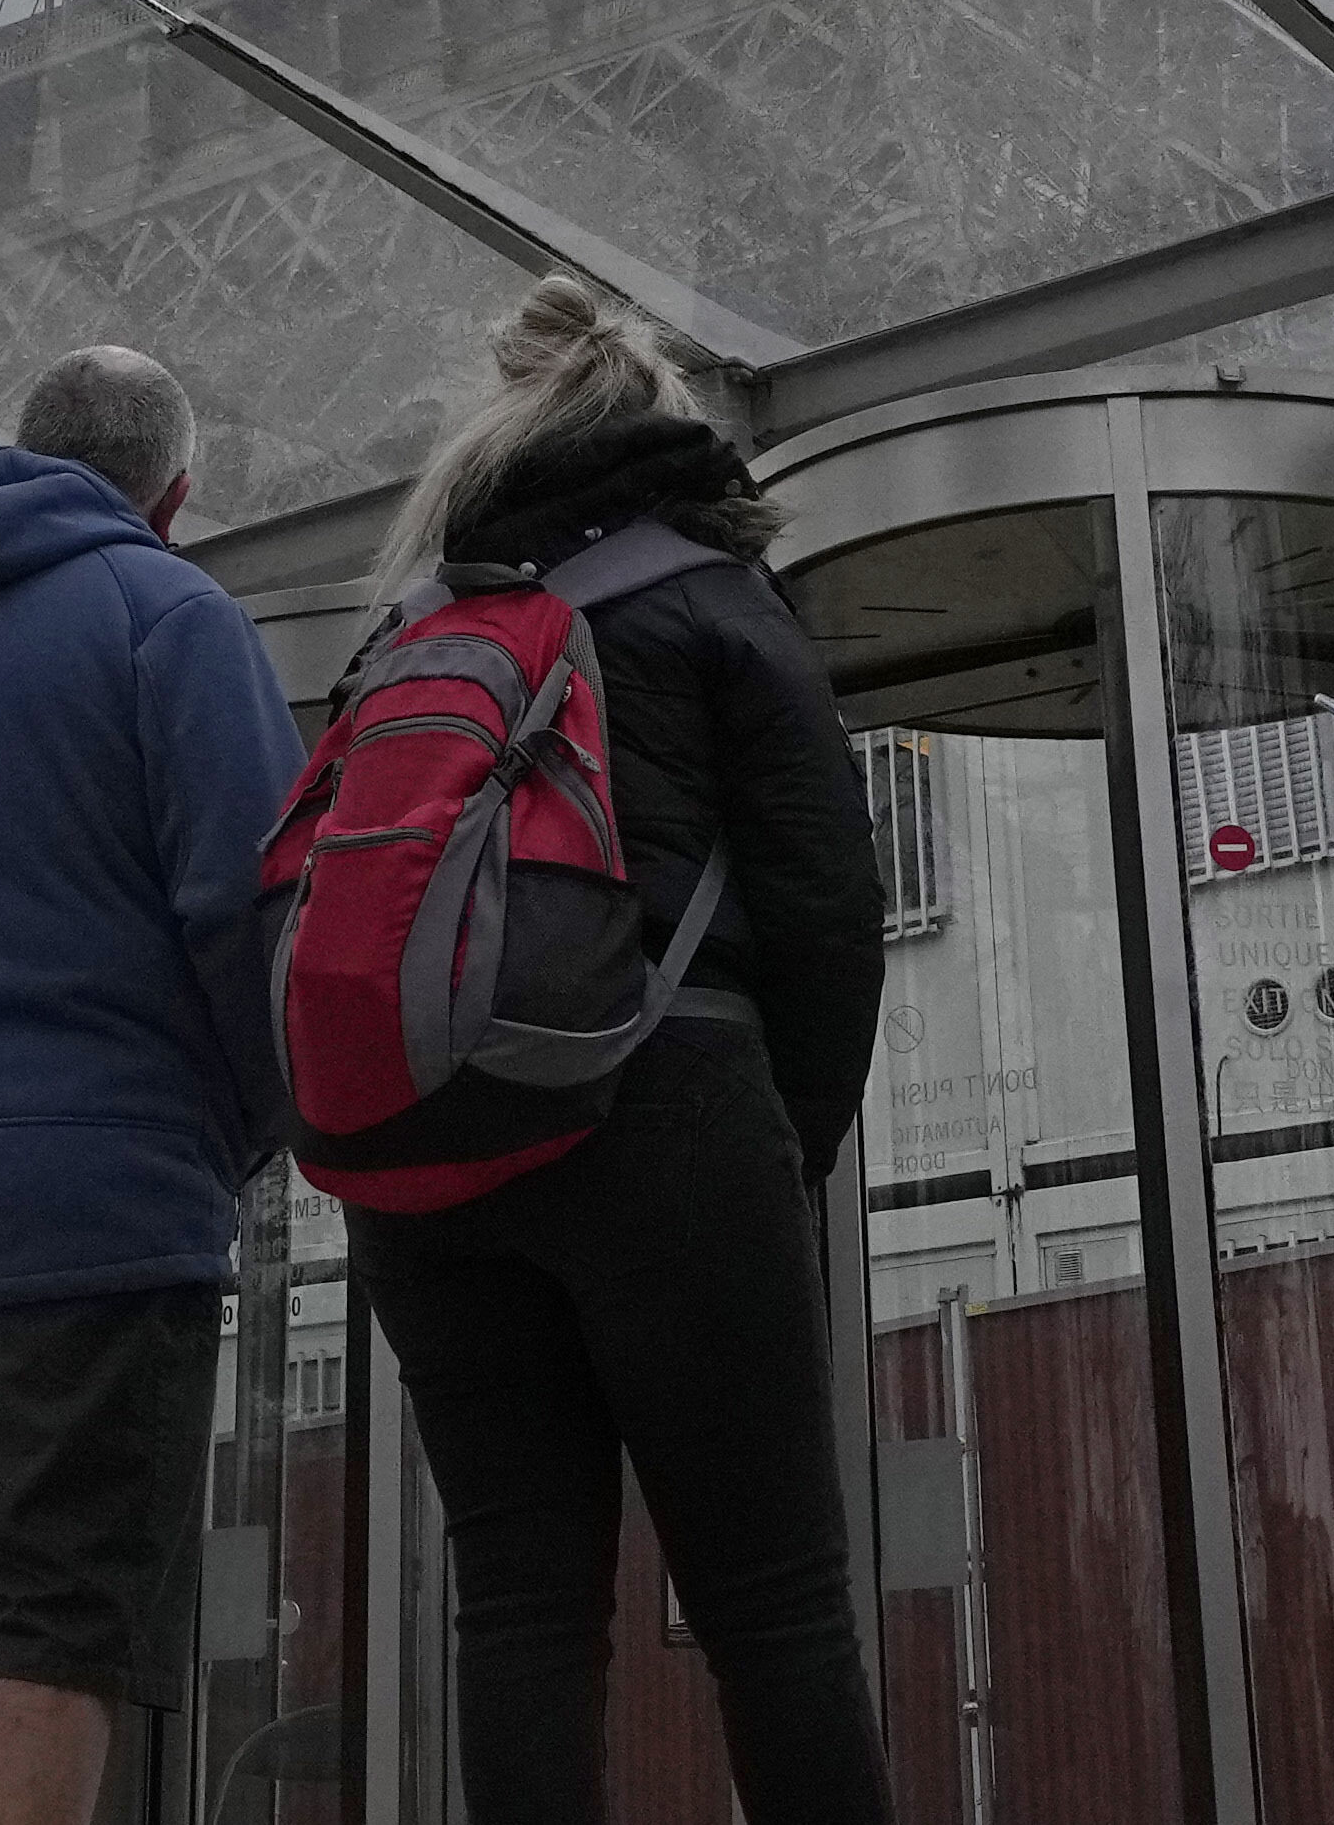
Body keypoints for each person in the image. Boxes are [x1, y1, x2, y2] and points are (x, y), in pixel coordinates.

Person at [340, 276, 896, 1825]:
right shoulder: (715, 602)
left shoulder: (415, 624)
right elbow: (825, 899)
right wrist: (789, 1142)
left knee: (520, 1606)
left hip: (427, 1148)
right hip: (671, 1103)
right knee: (774, 1607)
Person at [0, 341, 302, 1825]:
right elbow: (252, 907)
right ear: (176, 496)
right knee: (54, 1643)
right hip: (94, 1205)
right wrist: (256, 1124)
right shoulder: (171, 617)